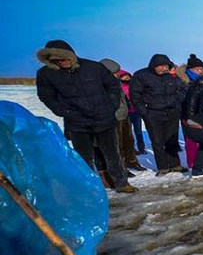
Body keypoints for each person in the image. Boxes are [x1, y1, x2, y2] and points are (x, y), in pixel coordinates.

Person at [35, 40, 137, 192]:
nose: (61, 63)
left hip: (104, 118)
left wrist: (111, 107)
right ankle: (90, 187)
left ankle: (122, 182)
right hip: (77, 122)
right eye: (56, 61)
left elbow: (112, 86)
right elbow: (46, 96)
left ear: (71, 56)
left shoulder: (93, 67)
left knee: (112, 153)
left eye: (63, 59)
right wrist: (63, 111)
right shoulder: (46, 74)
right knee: (84, 157)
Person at [130, 54, 186, 175]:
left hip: (172, 112)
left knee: (172, 139)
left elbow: (182, 90)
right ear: (153, 66)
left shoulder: (172, 77)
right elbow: (135, 95)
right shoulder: (141, 75)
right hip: (152, 113)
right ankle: (163, 167)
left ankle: (175, 164)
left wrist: (177, 102)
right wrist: (143, 112)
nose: (163, 69)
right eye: (160, 66)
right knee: (157, 141)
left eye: (166, 66)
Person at [100, 58, 145, 173]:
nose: (117, 75)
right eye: (114, 73)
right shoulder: (101, 85)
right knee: (117, 144)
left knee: (128, 141)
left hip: (125, 115)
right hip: (113, 118)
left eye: (117, 72)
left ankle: (132, 161)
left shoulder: (117, 82)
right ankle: (121, 167)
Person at [177, 53, 203, 170]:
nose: (200, 71)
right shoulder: (182, 81)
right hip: (187, 114)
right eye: (197, 69)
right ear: (190, 69)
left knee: (202, 139)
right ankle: (193, 164)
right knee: (191, 140)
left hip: (201, 114)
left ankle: (202, 161)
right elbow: (181, 99)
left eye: (201, 69)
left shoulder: (200, 81)